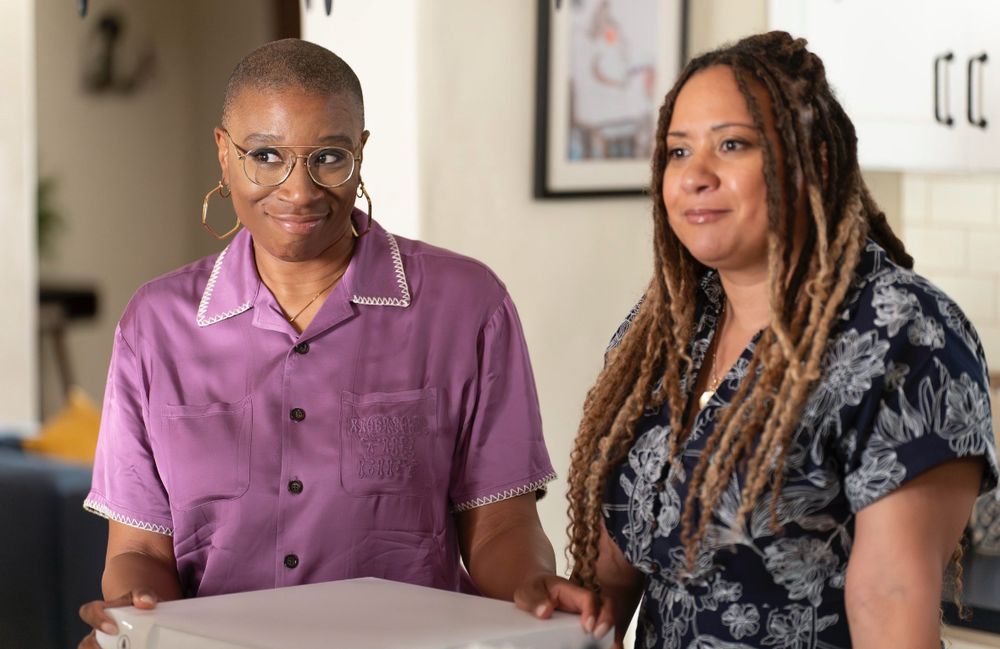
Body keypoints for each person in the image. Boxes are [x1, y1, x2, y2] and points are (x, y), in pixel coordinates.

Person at [78, 38, 612, 647]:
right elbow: (141, 548)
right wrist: (135, 616)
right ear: (224, 154)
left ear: (360, 151)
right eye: (266, 156)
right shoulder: (156, 324)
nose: (299, 190)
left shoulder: (468, 306)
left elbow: (498, 527)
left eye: (328, 157)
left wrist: (533, 584)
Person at [566, 31, 997, 649]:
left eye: (732, 145)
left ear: (813, 161)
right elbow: (616, 572)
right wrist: (568, 603)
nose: (695, 176)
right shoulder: (667, 326)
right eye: (678, 152)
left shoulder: (902, 332)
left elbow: (890, 605)